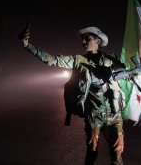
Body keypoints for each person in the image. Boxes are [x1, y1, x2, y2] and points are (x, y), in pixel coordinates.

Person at [19, 25, 125, 165]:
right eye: (82, 40)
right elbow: (52, 60)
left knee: (117, 155)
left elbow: (129, 72)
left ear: (98, 41)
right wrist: (27, 45)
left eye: (87, 39)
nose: (83, 42)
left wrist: (112, 69)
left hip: (115, 115)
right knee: (92, 153)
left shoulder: (112, 59)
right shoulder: (78, 60)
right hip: (94, 116)